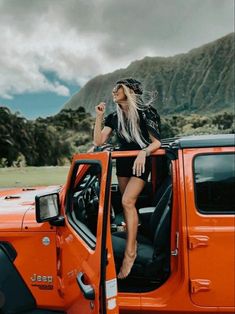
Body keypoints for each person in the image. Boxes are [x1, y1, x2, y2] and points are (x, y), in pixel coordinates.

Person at [93, 78, 161, 279]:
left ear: (128, 91)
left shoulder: (146, 113)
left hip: (140, 162)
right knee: (127, 206)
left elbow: (156, 142)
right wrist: (99, 117)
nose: (113, 91)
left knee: (127, 201)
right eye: (113, 88)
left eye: (118, 88)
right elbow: (98, 141)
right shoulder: (114, 117)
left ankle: (130, 253)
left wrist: (144, 152)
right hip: (123, 163)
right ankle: (134, 238)